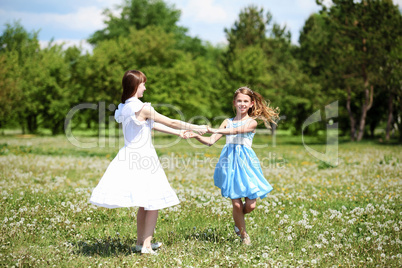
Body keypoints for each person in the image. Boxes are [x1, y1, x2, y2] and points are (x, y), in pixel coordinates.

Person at [89, 70, 207, 254]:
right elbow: (171, 121)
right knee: (153, 202)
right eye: (143, 83)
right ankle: (146, 246)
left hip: (130, 156)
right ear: (136, 86)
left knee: (144, 202)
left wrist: (179, 134)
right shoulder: (141, 107)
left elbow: (151, 124)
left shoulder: (126, 107)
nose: (145, 86)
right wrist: (196, 127)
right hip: (143, 158)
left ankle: (140, 242)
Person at [188, 87, 279, 245]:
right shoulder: (227, 122)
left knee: (250, 205)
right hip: (229, 163)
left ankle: (238, 221)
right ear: (234, 103)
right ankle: (244, 236)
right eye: (239, 101)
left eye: (245, 101)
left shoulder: (251, 122)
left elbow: (236, 131)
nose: (242, 104)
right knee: (236, 203)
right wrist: (196, 135)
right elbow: (211, 141)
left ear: (251, 104)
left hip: (247, 164)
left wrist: (212, 129)